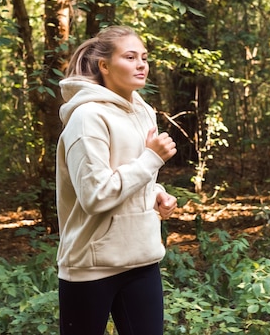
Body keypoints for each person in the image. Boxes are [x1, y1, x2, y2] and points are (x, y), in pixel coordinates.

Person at [55, 25, 178, 335]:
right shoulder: (87, 117)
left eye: (144, 57)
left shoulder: (144, 112)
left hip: (141, 258)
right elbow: (95, 195)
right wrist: (152, 158)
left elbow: (130, 175)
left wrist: (156, 193)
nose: (141, 64)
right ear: (105, 66)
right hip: (91, 267)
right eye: (130, 56)